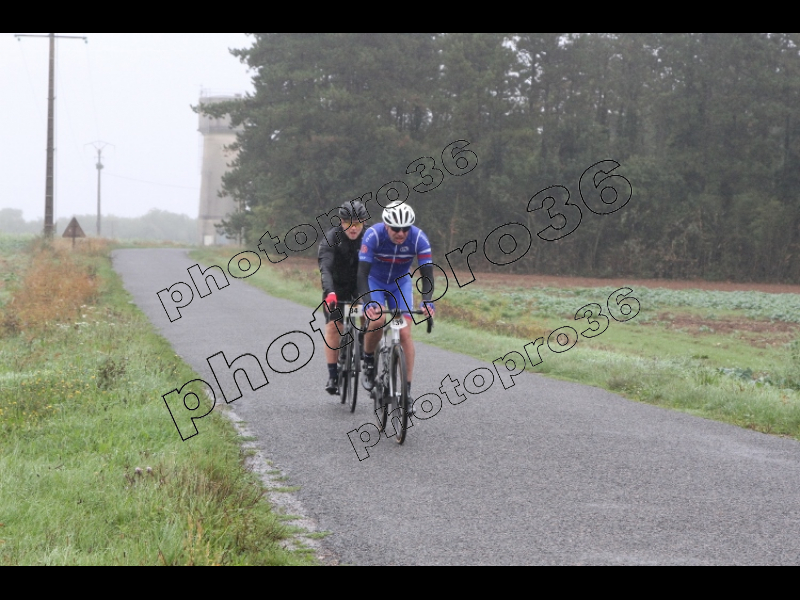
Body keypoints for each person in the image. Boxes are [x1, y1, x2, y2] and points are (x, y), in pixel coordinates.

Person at [358, 201, 435, 409]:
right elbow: (362, 274)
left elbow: (427, 275)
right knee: (378, 319)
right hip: (374, 280)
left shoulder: (418, 238)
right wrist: (367, 302)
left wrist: (427, 300)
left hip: (400, 283)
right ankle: (368, 361)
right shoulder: (373, 235)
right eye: (395, 229)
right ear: (386, 225)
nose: (401, 233)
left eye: (405, 229)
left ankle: (406, 393)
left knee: (404, 334)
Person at [318, 201, 369, 395]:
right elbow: (325, 269)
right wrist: (329, 292)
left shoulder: (370, 237)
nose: (353, 228)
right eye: (348, 223)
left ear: (364, 222)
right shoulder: (331, 238)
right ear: (341, 221)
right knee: (334, 326)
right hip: (336, 287)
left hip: (361, 286)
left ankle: (363, 340)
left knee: (368, 312)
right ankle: (333, 375)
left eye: (357, 223)